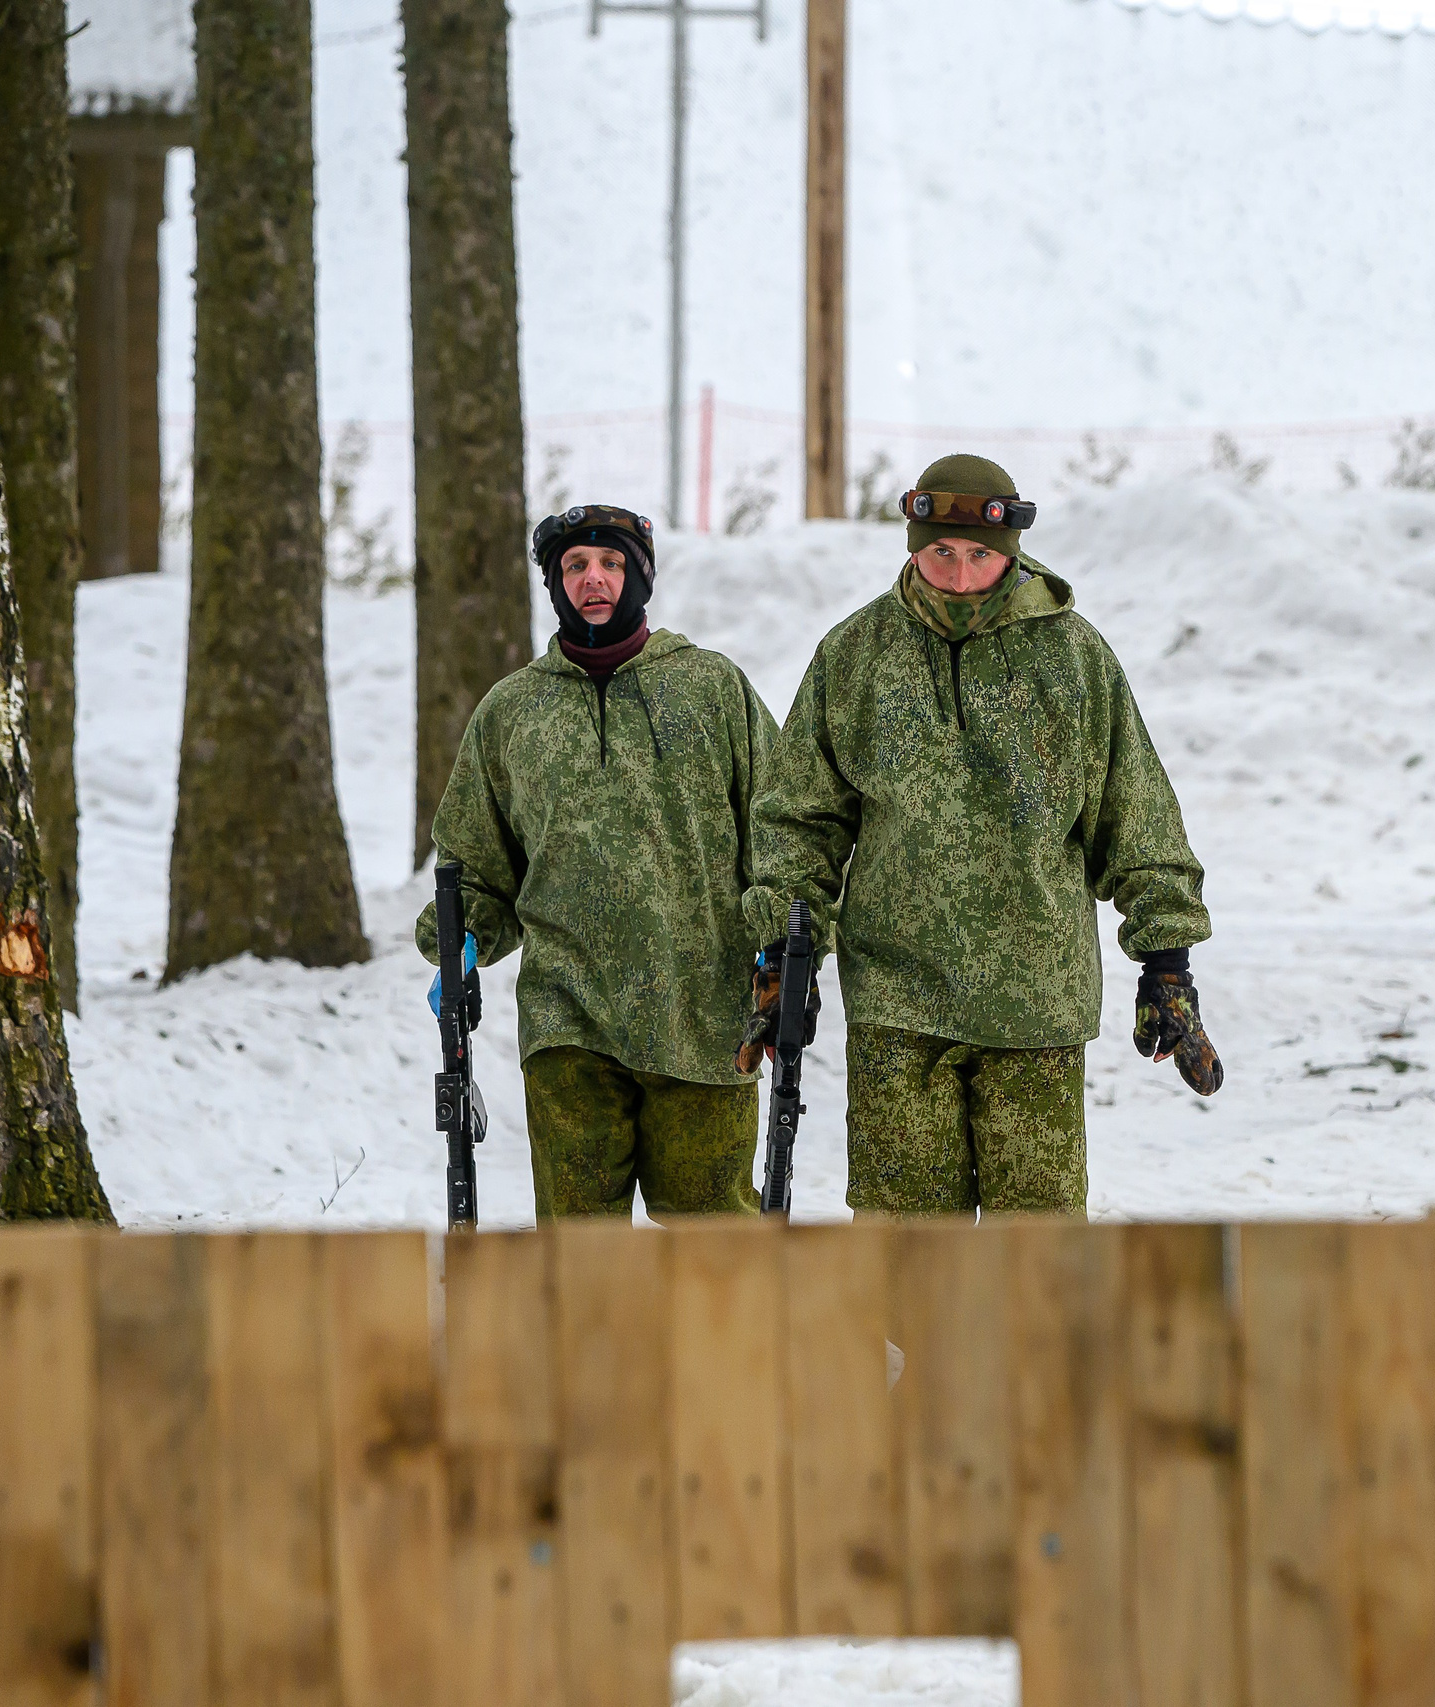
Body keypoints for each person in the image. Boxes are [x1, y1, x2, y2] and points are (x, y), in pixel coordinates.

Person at [741, 453, 1220, 1216]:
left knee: (1033, 1260)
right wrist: (781, 953)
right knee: (905, 1255)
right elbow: (801, 821)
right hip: (899, 1005)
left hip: (1035, 1007)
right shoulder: (855, 656)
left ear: (1012, 551)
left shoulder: (1074, 660)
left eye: (980, 557)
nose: (960, 577)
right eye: (940, 553)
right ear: (912, 546)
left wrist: (1167, 966)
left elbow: (1137, 816)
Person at [417, 504, 777, 1219]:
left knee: (721, 1252)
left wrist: (782, 949)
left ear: (641, 577)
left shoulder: (713, 690)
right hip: (567, 1025)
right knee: (580, 1255)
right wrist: (460, 939)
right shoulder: (512, 713)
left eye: (611, 563)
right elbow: (480, 868)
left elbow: (781, 831)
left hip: (702, 1017)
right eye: (575, 566)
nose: (594, 579)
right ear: (554, 583)